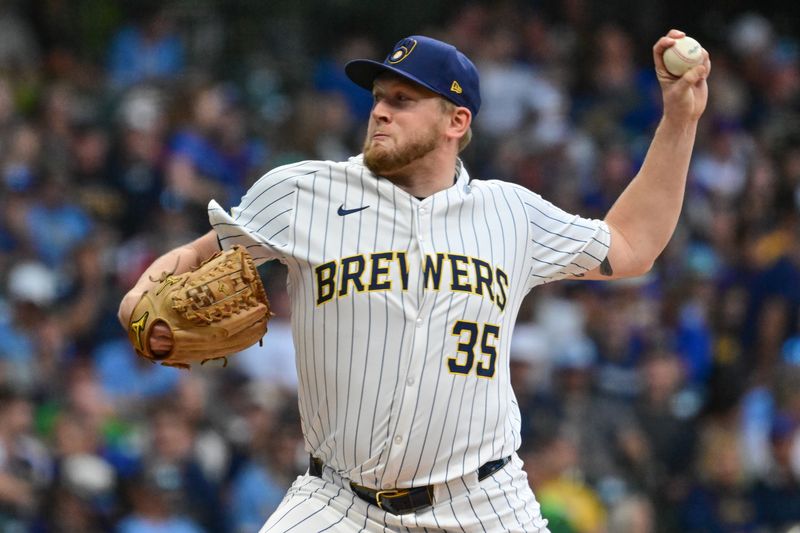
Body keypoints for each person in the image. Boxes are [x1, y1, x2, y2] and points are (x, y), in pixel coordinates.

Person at [118, 29, 710, 532]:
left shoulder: (511, 214)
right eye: (379, 97)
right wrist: (139, 296)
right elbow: (197, 255)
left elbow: (632, 246)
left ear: (457, 120)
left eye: (403, 100)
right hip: (340, 503)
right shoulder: (303, 193)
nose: (380, 111)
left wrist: (680, 119)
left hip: (482, 501)